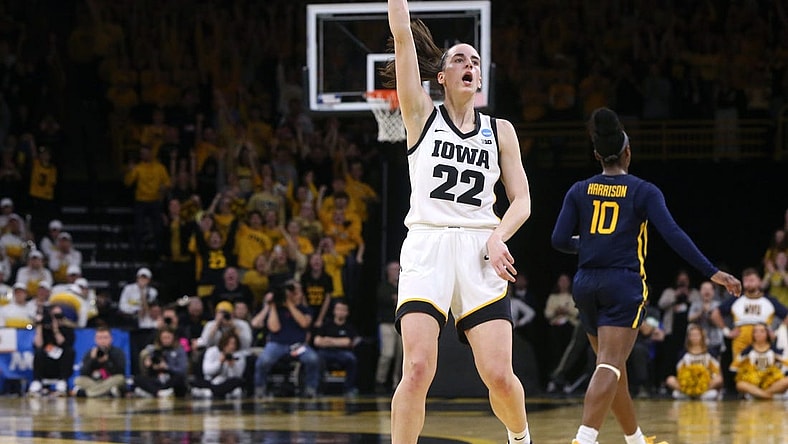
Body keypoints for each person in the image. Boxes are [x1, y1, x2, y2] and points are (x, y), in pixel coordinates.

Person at [383, 3, 533, 443]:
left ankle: (521, 438)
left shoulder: (499, 129)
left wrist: (497, 238)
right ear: (442, 78)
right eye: (458, 60)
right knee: (416, 369)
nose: (469, 64)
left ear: (480, 79)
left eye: (475, 61)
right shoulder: (421, 116)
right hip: (427, 245)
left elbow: (522, 200)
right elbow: (403, 36)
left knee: (500, 376)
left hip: (479, 248)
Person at [551, 107, 741, 444]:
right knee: (610, 364)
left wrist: (593, 243)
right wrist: (712, 272)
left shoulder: (579, 189)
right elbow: (674, 234)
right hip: (622, 282)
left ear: (597, 155)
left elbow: (559, 241)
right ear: (628, 152)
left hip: (586, 283)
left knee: (613, 367)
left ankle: (635, 440)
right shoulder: (643, 191)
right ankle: (583, 439)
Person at [313, 299, 360, 397]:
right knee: (316, 358)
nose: (340, 312)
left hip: (343, 353)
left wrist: (328, 340)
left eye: (343, 310)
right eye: (338, 309)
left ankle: (349, 388)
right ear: (334, 311)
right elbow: (317, 341)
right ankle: (317, 388)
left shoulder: (349, 327)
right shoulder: (326, 325)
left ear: (347, 312)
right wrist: (338, 342)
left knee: (351, 359)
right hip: (325, 352)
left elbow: (348, 342)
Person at [730, 322, 788, 400]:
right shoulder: (747, 351)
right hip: (753, 382)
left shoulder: (774, 350)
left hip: (770, 382)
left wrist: (778, 369)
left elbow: (786, 363)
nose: (758, 334)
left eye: (761, 331)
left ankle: (761, 394)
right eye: (755, 331)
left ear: (767, 333)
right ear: (753, 334)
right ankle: (767, 395)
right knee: (740, 384)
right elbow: (733, 367)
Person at [664, 324, 723, 400]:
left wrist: (703, 379)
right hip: (688, 383)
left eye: (697, 335)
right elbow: (680, 372)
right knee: (670, 379)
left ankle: (697, 394)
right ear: (688, 337)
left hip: (705, 383)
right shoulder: (683, 354)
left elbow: (716, 371)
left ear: (702, 336)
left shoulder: (710, 353)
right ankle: (691, 393)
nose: (695, 337)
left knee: (719, 379)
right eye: (692, 335)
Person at [72, 326, 127, 398]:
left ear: (111, 339)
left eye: (105, 337)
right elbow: (83, 373)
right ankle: (107, 393)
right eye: (100, 338)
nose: (102, 341)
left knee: (120, 379)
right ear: (95, 339)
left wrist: (107, 361)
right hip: (94, 382)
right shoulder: (91, 353)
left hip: (110, 381)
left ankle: (87, 393)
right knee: (78, 380)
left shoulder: (118, 352)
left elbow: (121, 372)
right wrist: (92, 359)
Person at [375, 260, 403, 394]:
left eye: (398, 269)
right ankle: (380, 381)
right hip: (386, 323)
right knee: (387, 353)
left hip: (402, 324)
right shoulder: (384, 287)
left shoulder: (404, 285)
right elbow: (383, 299)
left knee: (401, 354)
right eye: (393, 269)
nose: (396, 272)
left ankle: (396, 382)